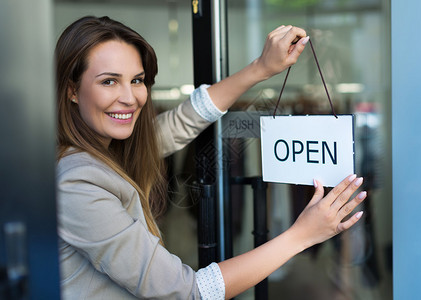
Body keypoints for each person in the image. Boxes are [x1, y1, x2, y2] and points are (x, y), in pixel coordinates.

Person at [56, 15, 367, 300]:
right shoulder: (77, 180)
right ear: (72, 90)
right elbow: (185, 291)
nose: (129, 97)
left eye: (136, 80)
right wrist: (301, 235)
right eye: (109, 81)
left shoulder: (109, 149)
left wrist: (261, 67)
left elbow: (181, 121)